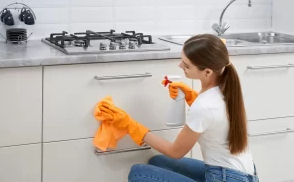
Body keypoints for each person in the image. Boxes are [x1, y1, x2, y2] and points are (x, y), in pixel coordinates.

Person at [97, 34, 259, 182]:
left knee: (138, 173)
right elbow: (214, 119)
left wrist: (130, 126)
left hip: (225, 178)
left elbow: (176, 151)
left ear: (208, 72)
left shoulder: (204, 106)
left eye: (187, 66)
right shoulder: (226, 88)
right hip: (241, 174)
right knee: (157, 161)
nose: (180, 65)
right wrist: (192, 98)